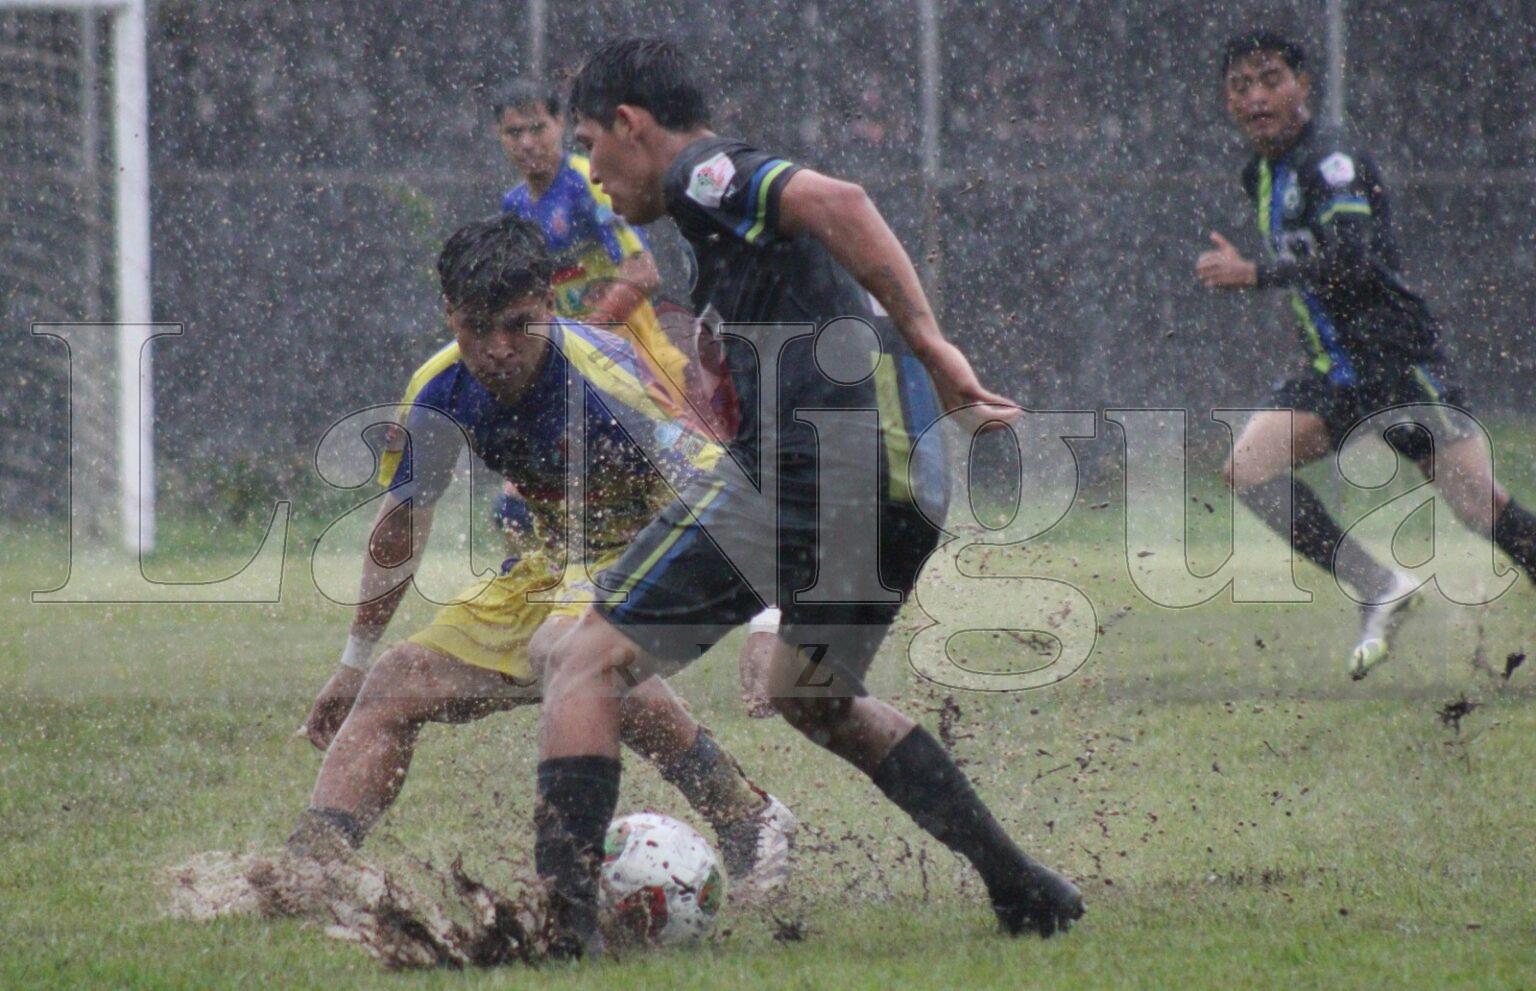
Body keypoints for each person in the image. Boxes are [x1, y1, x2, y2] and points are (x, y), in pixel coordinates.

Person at [528, 39, 1083, 956]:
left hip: (821, 467)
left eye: (590, 143)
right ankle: (1023, 885)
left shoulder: (707, 174)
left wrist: (933, 344)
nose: (590, 171)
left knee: (584, 659)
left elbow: (840, 201)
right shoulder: (720, 234)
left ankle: (557, 935)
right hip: (903, 484)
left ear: (633, 125)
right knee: (812, 693)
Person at [290, 214, 794, 898]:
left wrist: (769, 620)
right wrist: (351, 662)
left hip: (664, 542)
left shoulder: (609, 376)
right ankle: (306, 870)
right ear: (449, 316)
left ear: (551, 306)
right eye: (476, 328)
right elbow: (403, 521)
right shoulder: (439, 391)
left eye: (518, 325)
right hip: (555, 559)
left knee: (574, 649)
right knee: (395, 681)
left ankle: (740, 820)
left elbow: (731, 488)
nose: (497, 349)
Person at [1196, 31, 1536, 679]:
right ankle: (1379, 585)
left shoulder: (1331, 159)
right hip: (1336, 373)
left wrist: (1257, 274)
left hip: (1396, 362)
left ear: (1302, 86)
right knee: (1247, 469)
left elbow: (1352, 258)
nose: (1256, 97)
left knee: (1481, 509)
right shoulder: (1261, 172)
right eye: (1240, 86)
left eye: (1270, 80)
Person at [494, 79, 782, 705]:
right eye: (513, 132)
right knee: (519, 499)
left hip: (636, 368)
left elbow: (643, 271)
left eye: (537, 128)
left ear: (559, 127)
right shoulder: (515, 206)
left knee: (706, 486)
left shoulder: (584, 183)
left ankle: (769, 611)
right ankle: (570, 620)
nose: (526, 143)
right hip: (574, 377)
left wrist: (581, 336)